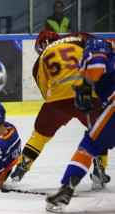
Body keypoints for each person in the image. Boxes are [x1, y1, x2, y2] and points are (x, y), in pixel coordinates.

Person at [10, 30, 110, 189]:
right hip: (85, 92)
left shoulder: (39, 62)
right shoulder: (76, 37)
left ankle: (21, 167)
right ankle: (100, 169)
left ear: (43, 44)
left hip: (57, 101)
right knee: (99, 131)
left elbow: (46, 93)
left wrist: (63, 113)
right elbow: (100, 48)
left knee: (39, 136)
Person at [46, 38, 115, 213]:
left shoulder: (96, 55)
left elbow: (97, 64)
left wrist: (85, 84)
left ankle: (66, 189)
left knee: (90, 145)